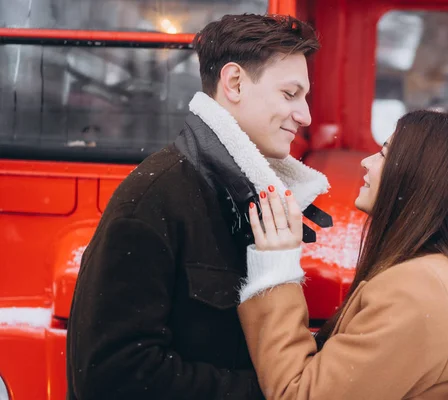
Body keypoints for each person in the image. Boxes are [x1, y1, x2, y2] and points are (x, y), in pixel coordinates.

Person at [66, 14, 329, 399]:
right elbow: (112, 376)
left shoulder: (247, 198)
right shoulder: (153, 199)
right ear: (234, 83)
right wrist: (270, 392)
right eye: (290, 94)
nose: (304, 115)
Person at [237, 110, 448, 399]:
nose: (366, 162)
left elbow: (302, 395)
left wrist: (276, 271)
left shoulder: (415, 291)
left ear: (418, 178)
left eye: (383, 154)